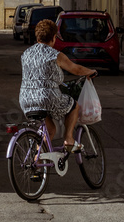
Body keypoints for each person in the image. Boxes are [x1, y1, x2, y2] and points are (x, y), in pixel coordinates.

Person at [19, 18, 97, 153]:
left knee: (50, 130)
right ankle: (69, 139)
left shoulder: (26, 54)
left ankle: (37, 163)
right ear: (54, 37)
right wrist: (91, 72)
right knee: (73, 106)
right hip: (48, 98)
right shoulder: (55, 55)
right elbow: (76, 69)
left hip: (25, 99)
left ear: (37, 36)